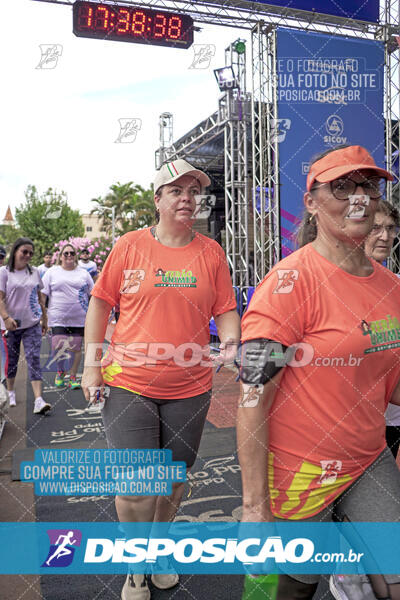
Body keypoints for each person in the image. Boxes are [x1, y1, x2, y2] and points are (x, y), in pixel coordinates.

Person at [237, 146, 400, 600]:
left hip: (367, 460)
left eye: (368, 185)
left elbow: (390, 384)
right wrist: (254, 509)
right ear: (311, 202)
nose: (359, 198)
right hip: (299, 471)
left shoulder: (392, 289)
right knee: (292, 589)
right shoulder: (288, 284)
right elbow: (253, 398)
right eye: (342, 186)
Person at [82, 158, 240, 600]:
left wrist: (230, 340)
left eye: (193, 191)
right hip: (129, 381)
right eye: (177, 190)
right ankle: (136, 564)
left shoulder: (211, 253)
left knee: (172, 479)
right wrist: (92, 365)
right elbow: (100, 304)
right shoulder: (129, 246)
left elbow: (225, 308)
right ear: (158, 200)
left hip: (190, 387)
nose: (187, 197)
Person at [364, 199, 400, 460]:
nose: (385, 236)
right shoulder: (332, 286)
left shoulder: (396, 285)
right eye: (375, 228)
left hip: (393, 419)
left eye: (391, 228)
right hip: (354, 423)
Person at [0, 238, 50, 414]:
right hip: (11, 324)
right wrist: (6, 318)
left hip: (32, 323)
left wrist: (45, 318)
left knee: (34, 358)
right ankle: (11, 391)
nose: (27, 255)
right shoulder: (4, 272)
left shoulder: (34, 272)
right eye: (24, 252)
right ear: (15, 251)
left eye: (30, 252)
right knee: (12, 361)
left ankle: (38, 399)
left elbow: (39, 297)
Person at [41, 243, 94, 390]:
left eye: (72, 253)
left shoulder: (83, 273)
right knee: (58, 345)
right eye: (66, 253)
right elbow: (43, 294)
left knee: (76, 348)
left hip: (78, 318)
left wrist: (93, 313)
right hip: (57, 317)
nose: (69, 256)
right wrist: (42, 315)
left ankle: (72, 376)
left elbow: (93, 293)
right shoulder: (52, 272)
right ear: (60, 256)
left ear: (75, 256)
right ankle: (60, 371)